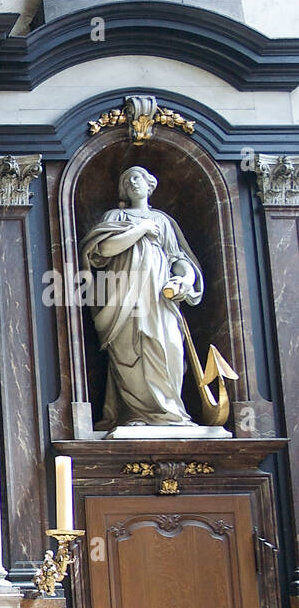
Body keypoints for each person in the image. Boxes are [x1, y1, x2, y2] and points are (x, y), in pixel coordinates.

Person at [79, 165, 204, 429]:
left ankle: (171, 412)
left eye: (138, 178)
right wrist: (141, 229)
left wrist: (183, 279)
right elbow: (104, 249)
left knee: (169, 345)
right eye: (128, 180)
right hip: (124, 300)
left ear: (150, 185)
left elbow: (178, 258)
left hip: (160, 298)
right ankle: (135, 414)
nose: (133, 183)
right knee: (130, 353)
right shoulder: (116, 215)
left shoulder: (163, 221)